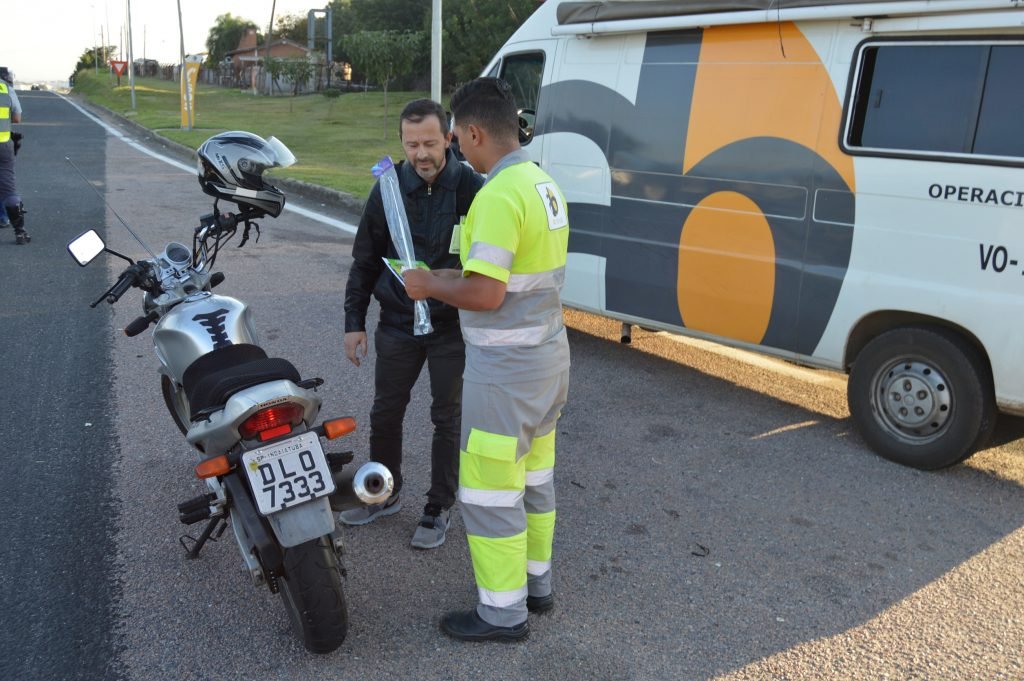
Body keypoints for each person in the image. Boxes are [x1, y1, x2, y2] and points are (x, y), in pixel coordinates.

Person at [403, 77, 571, 642]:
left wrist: (429, 284)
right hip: (547, 363)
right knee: (536, 481)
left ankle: (503, 613)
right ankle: (536, 586)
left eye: (453, 135)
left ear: (473, 133)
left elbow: (488, 295)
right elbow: (498, 277)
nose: (451, 146)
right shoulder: (540, 182)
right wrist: (445, 276)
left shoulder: (497, 195)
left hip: (505, 375)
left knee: (491, 492)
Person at [340, 98, 484, 549]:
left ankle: (438, 506)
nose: (420, 154)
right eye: (411, 144)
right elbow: (364, 261)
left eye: (429, 143)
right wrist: (354, 321)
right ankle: (385, 491)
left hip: (451, 326)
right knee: (385, 411)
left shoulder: (473, 189)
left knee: (447, 417)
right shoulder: (387, 187)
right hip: (398, 323)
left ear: (449, 138)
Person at [0, 66, 28, 245]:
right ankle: (19, 232)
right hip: (3, 144)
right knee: (9, 189)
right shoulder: (5, 87)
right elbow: (17, 118)